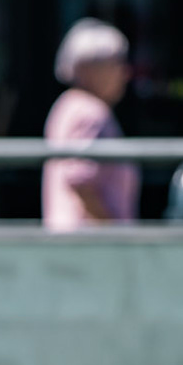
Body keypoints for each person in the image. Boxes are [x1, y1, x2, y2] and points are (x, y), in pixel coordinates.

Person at [43, 18, 137, 231]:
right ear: (88, 68)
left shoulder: (67, 105)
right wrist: (114, 231)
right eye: (116, 63)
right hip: (91, 247)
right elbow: (80, 181)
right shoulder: (90, 112)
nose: (125, 73)